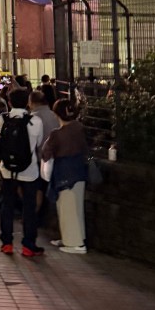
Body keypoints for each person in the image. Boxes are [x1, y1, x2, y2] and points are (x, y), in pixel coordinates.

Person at [0, 87, 44, 257]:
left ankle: (7, 243)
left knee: (6, 205)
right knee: (29, 207)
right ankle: (28, 245)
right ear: (28, 103)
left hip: (7, 169)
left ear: (9, 102)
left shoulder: (1, 119)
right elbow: (38, 145)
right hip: (29, 169)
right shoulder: (35, 121)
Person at [41, 100, 89, 254]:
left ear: (56, 114)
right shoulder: (79, 128)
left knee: (66, 207)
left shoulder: (57, 134)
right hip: (79, 171)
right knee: (77, 208)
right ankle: (76, 238)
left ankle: (74, 243)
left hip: (64, 173)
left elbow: (45, 152)